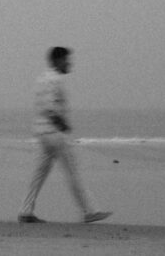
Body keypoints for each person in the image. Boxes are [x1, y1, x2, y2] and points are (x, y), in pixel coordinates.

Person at [18, 46, 111, 224]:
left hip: (42, 134)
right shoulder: (55, 80)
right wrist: (63, 124)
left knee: (38, 175)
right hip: (54, 133)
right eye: (67, 60)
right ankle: (90, 211)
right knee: (73, 172)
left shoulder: (41, 79)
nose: (69, 64)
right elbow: (50, 107)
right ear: (57, 61)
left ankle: (25, 211)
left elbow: (42, 106)